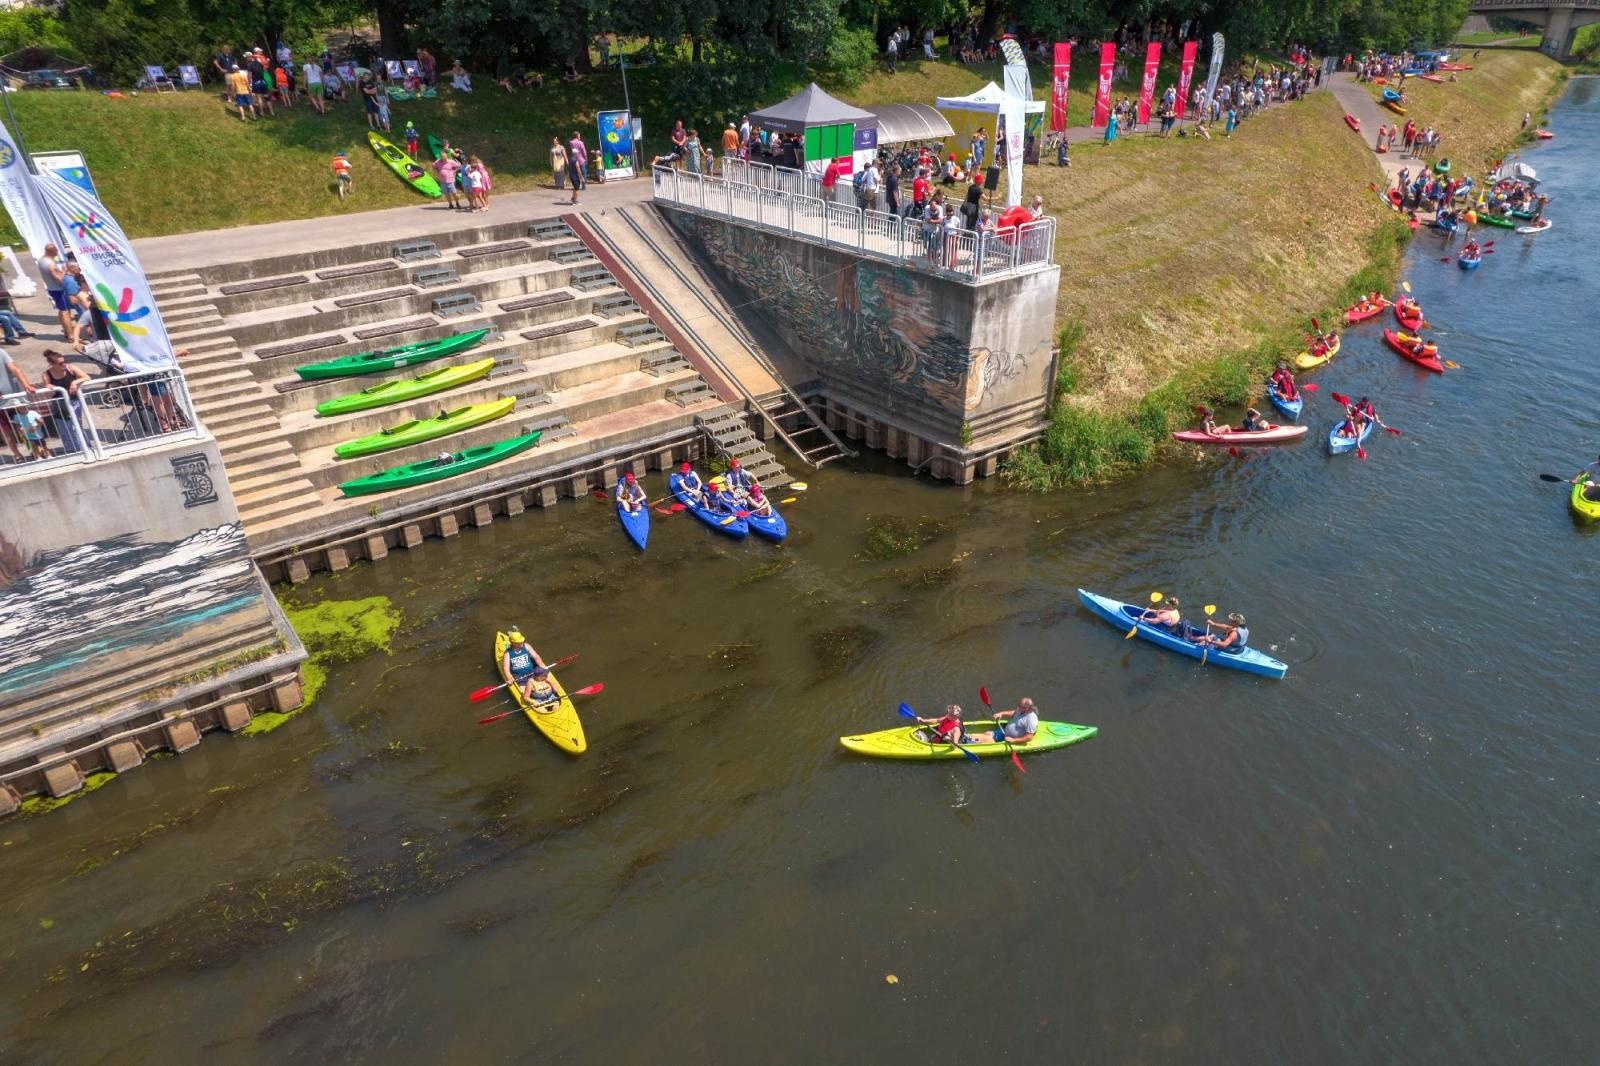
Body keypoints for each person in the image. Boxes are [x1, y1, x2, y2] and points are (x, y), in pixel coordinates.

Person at [38, 349, 89, 453]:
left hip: (74, 400)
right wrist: (48, 386)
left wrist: (75, 382)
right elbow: (47, 386)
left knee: (76, 425)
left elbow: (87, 377)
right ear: (52, 364)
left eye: (64, 362)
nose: (63, 365)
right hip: (59, 403)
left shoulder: (71, 368)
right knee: (63, 427)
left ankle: (86, 447)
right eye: (60, 363)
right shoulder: (47, 374)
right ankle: (71, 449)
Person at [501, 627, 555, 704]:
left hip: (532, 671)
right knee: (523, 692)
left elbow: (536, 657)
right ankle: (532, 701)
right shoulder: (507, 653)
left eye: (522, 640)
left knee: (545, 682)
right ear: (513, 643)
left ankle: (550, 696)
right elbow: (506, 667)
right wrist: (509, 678)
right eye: (519, 642)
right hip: (518, 676)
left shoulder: (526, 646)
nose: (522, 642)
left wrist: (542, 665)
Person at [968, 696, 1040, 745]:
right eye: (1019, 705)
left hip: (1010, 739)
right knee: (987, 733)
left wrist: (1013, 740)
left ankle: (966, 740)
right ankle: (968, 738)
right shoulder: (1021, 709)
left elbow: (1029, 737)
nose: (1018, 707)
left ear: (1027, 708)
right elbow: (1014, 712)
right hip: (1004, 732)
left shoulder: (1031, 720)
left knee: (987, 739)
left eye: (1020, 706)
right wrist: (1002, 713)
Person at [567, 132, 588, 205]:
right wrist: (582, 178)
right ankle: (575, 200)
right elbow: (584, 152)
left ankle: (572, 199)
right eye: (579, 135)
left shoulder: (570, 143)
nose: (580, 136)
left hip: (572, 175)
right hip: (581, 160)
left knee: (575, 187)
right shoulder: (581, 143)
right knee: (577, 188)